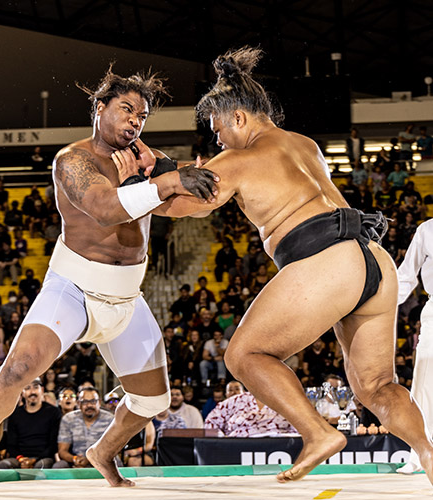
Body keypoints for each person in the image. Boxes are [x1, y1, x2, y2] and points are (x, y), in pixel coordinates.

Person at [138, 46, 433, 483]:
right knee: (376, 387)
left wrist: (136, 190)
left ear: (238, 118)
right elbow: (222, 172)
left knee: (243, 355)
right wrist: (169, 167)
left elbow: (188, 208)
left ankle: (317, 432)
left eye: (218, 130)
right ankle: (429, 453)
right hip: (374, 260)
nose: (217, 141)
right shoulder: (305, 144)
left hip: (327, 262)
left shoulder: (236, 159)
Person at [0, 65, 216, 489]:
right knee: (17, 370)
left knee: (154, 400)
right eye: (126, 110)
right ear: (99, 108)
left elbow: (180, 207)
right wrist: (168, 181)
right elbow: (103, 207)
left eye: (141, 116)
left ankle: (102, 450)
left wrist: (195, 189)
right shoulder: (72, 159)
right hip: (74, 290)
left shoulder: (147, 159)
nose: (135, 122)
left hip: (127, 297)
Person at [396, 218, 433, 474]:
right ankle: (420, 456)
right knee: (423, 381)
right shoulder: (427, 230)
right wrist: (381, 306)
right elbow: (407, 275)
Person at [0, 378, 61, 470]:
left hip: (43, 457)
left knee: (40, 466)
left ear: (42, 390)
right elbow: (11, 444)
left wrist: (34, 460)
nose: (32, 392)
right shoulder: (15, 414)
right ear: (22, 392)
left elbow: (53, 444)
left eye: (35, 387)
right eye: (27, 388)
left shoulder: (53, 412)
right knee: (1, 466)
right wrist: (21, 459)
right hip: (20, 458)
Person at [53, 387, 113, 468]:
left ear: (99, 402)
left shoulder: (110, 419)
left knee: (116, 464)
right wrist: (75, 459)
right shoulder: (68, 419)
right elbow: (62, 451)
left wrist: (89, 460)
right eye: (84, 402)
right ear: (78, 404)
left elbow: (113, 448)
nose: (89, 405)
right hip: (76, 460)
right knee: (59, 466)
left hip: (104, 460)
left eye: (93, 401)